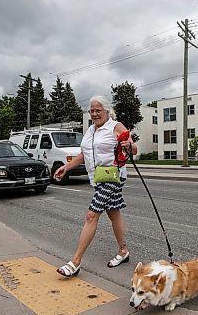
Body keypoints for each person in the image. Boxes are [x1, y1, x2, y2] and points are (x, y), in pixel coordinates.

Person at [54, 95, 137, 278]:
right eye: (91, 110)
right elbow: (83, 154)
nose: (94, 114)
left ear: (107, 111)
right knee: (113, 213)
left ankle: (75, 262)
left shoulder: (115, 126)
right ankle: (124, 251)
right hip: (98, 178)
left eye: (98, 110)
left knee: (92, 215)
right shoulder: (90, 130)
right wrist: (66, 167)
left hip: (113, 176)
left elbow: (134, 148)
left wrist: (128, 146)